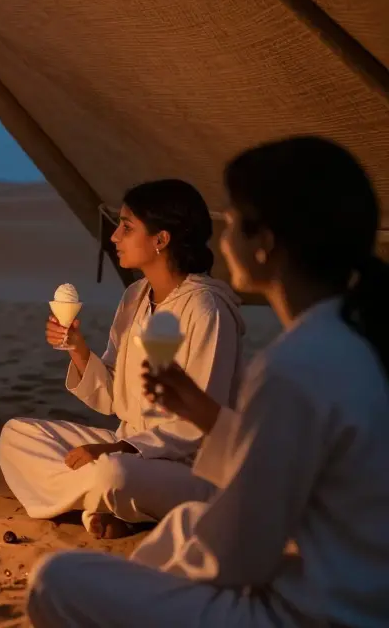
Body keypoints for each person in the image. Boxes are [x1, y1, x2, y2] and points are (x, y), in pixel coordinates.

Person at [26, 136, 389, 627]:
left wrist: (161, 569)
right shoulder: (344, 341)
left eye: (235, 221)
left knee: (57, 580)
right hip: (329, 586)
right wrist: (202, 412)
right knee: (179, 526)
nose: (223, 236)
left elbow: (241, 555)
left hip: (311, 613)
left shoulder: (295, 364)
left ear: (266, 244)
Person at [0, 179, 244, 538]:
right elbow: (113, 398)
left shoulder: (206, 308)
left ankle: (103, 501)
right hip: (127, 445)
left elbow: (200, 422)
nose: (114, 237)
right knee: (16, 436)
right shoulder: (134, 296)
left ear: (161, 239)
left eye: (127, 228)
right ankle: (109, 504)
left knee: (113, 473)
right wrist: (79, 349)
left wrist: (117, 448)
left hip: (190, 468)